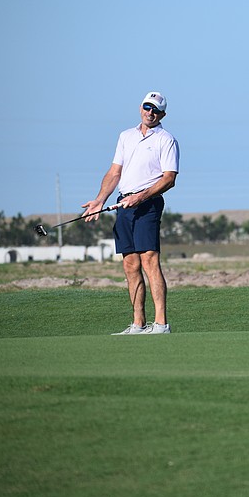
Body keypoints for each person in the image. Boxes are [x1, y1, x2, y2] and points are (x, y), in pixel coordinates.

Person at [83, 92, 180, 334]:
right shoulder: (125, 136)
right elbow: (115, 173)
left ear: (162, 115)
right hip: (124, 204)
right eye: (147, 107)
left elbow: (169, 179)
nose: (150, 112)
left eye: (156, 110)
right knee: (130, 264)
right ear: (140, 108)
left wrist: (141, 196)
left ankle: (161, 324)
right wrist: (99, 200)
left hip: (148, 204)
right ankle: (138, 323)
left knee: (149, 259)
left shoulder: (166, 140)